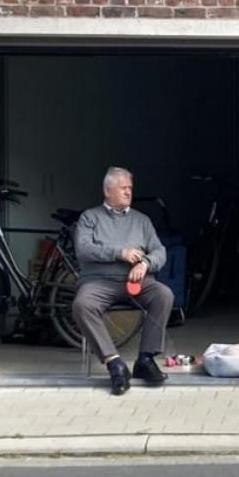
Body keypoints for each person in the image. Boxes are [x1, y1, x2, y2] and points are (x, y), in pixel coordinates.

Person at [73, 166, 174, 395]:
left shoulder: (142, 220)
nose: (129, 193)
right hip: (99, 282)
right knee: (82, 305)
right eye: (123, 188)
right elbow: (84, 249)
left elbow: (160, 250)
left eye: (130, 188)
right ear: (108, 191)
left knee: (163, 294)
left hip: (137, 283)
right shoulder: (90, 217)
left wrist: (145, 263)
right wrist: (120, 253)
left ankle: (145, 360)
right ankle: (114, 363)